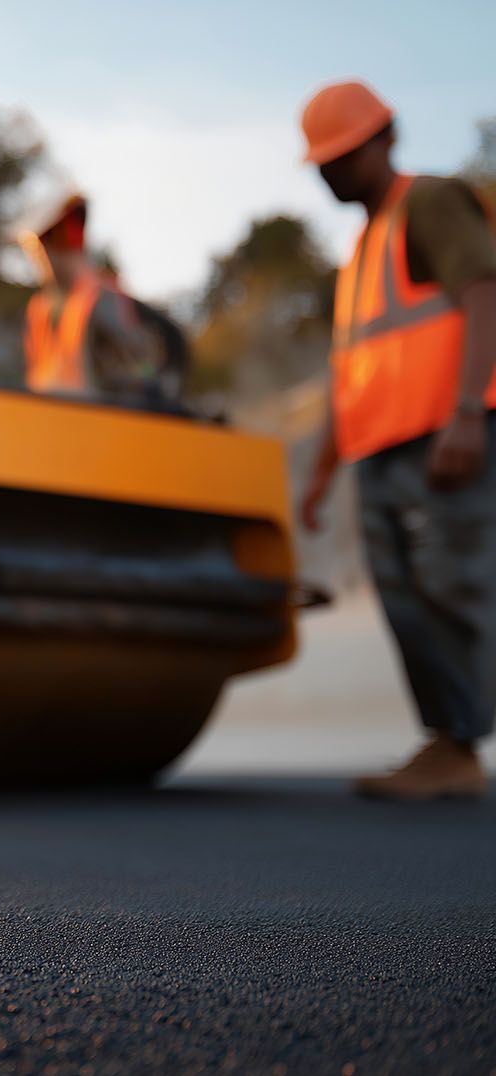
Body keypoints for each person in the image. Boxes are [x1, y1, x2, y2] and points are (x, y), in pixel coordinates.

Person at [296, 80, 496, 800]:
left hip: (441, 443)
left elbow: (484, 293)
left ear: (384, 138)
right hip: (378, 454)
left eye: (342, 156)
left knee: (454, 588)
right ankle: (448, 743)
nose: (330, 173)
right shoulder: (358, 254)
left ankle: (462, 742)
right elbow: (349, 374)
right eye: (321, 162)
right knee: (407, 601)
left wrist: (469, 414)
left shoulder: (429, 203)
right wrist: (321, 473)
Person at [18, 193, 174, 405]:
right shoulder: (39, 310)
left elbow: (140, 371)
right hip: (48, 424)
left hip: (93, 426)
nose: (40, 256)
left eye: (39, 246)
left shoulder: (99, 299)